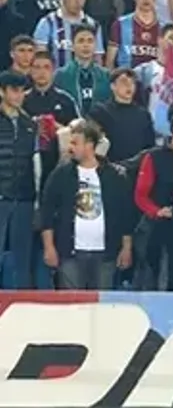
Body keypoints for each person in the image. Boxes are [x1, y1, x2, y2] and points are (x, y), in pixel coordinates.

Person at [38, 120, 132, 289]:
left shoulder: (115, 176)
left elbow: (126, 215)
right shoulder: (61, 174)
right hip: (70, 253)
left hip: (106, 254)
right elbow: (47, 212)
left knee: (103, 303)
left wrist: (127, 248)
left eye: (75, 143)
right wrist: (49, 247)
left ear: (89, 144)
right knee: (72, 303)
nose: (70, 148)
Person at [0, 69, 37, 289]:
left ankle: (20, 302)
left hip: (23, 198)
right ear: (2, 91)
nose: (19, 95)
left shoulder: (29, 124)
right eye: (14, 90)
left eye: (22, 91)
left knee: (22, 260)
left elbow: (35, 163)